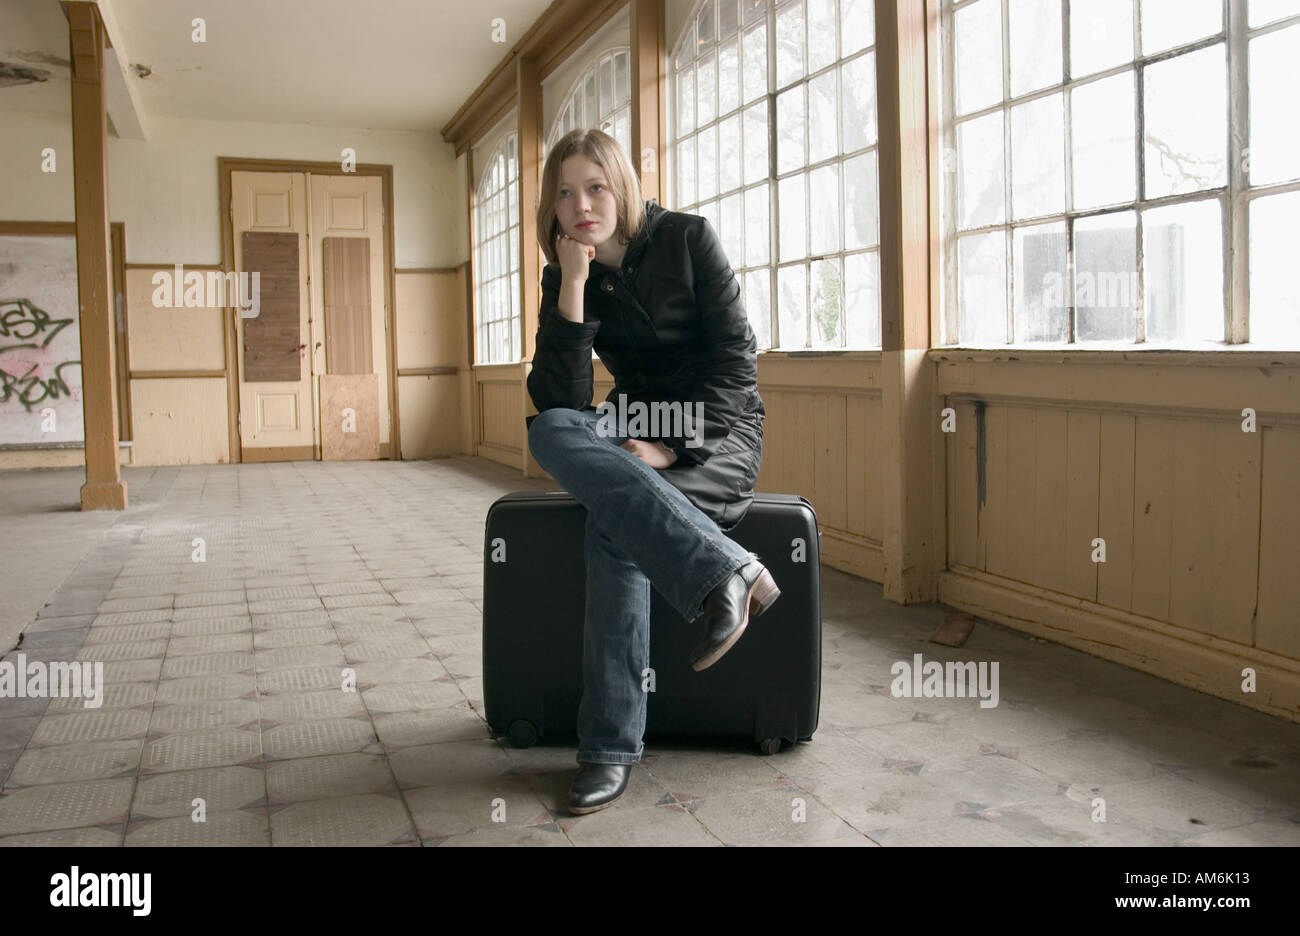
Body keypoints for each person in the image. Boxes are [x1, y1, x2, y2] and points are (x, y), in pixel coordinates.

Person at [524, 128, 779, 815]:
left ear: (622, 186)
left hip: (716, 433)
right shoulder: (565, 270)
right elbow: (562, 403)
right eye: (566, 192)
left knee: (613, 528)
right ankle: (732, 568)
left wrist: (673, 447)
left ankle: (607, 749)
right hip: (629, 425)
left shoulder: (688, 239)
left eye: (596, 186)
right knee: (550, 430)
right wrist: (573, 289)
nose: (582, 204)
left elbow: (736, 365)